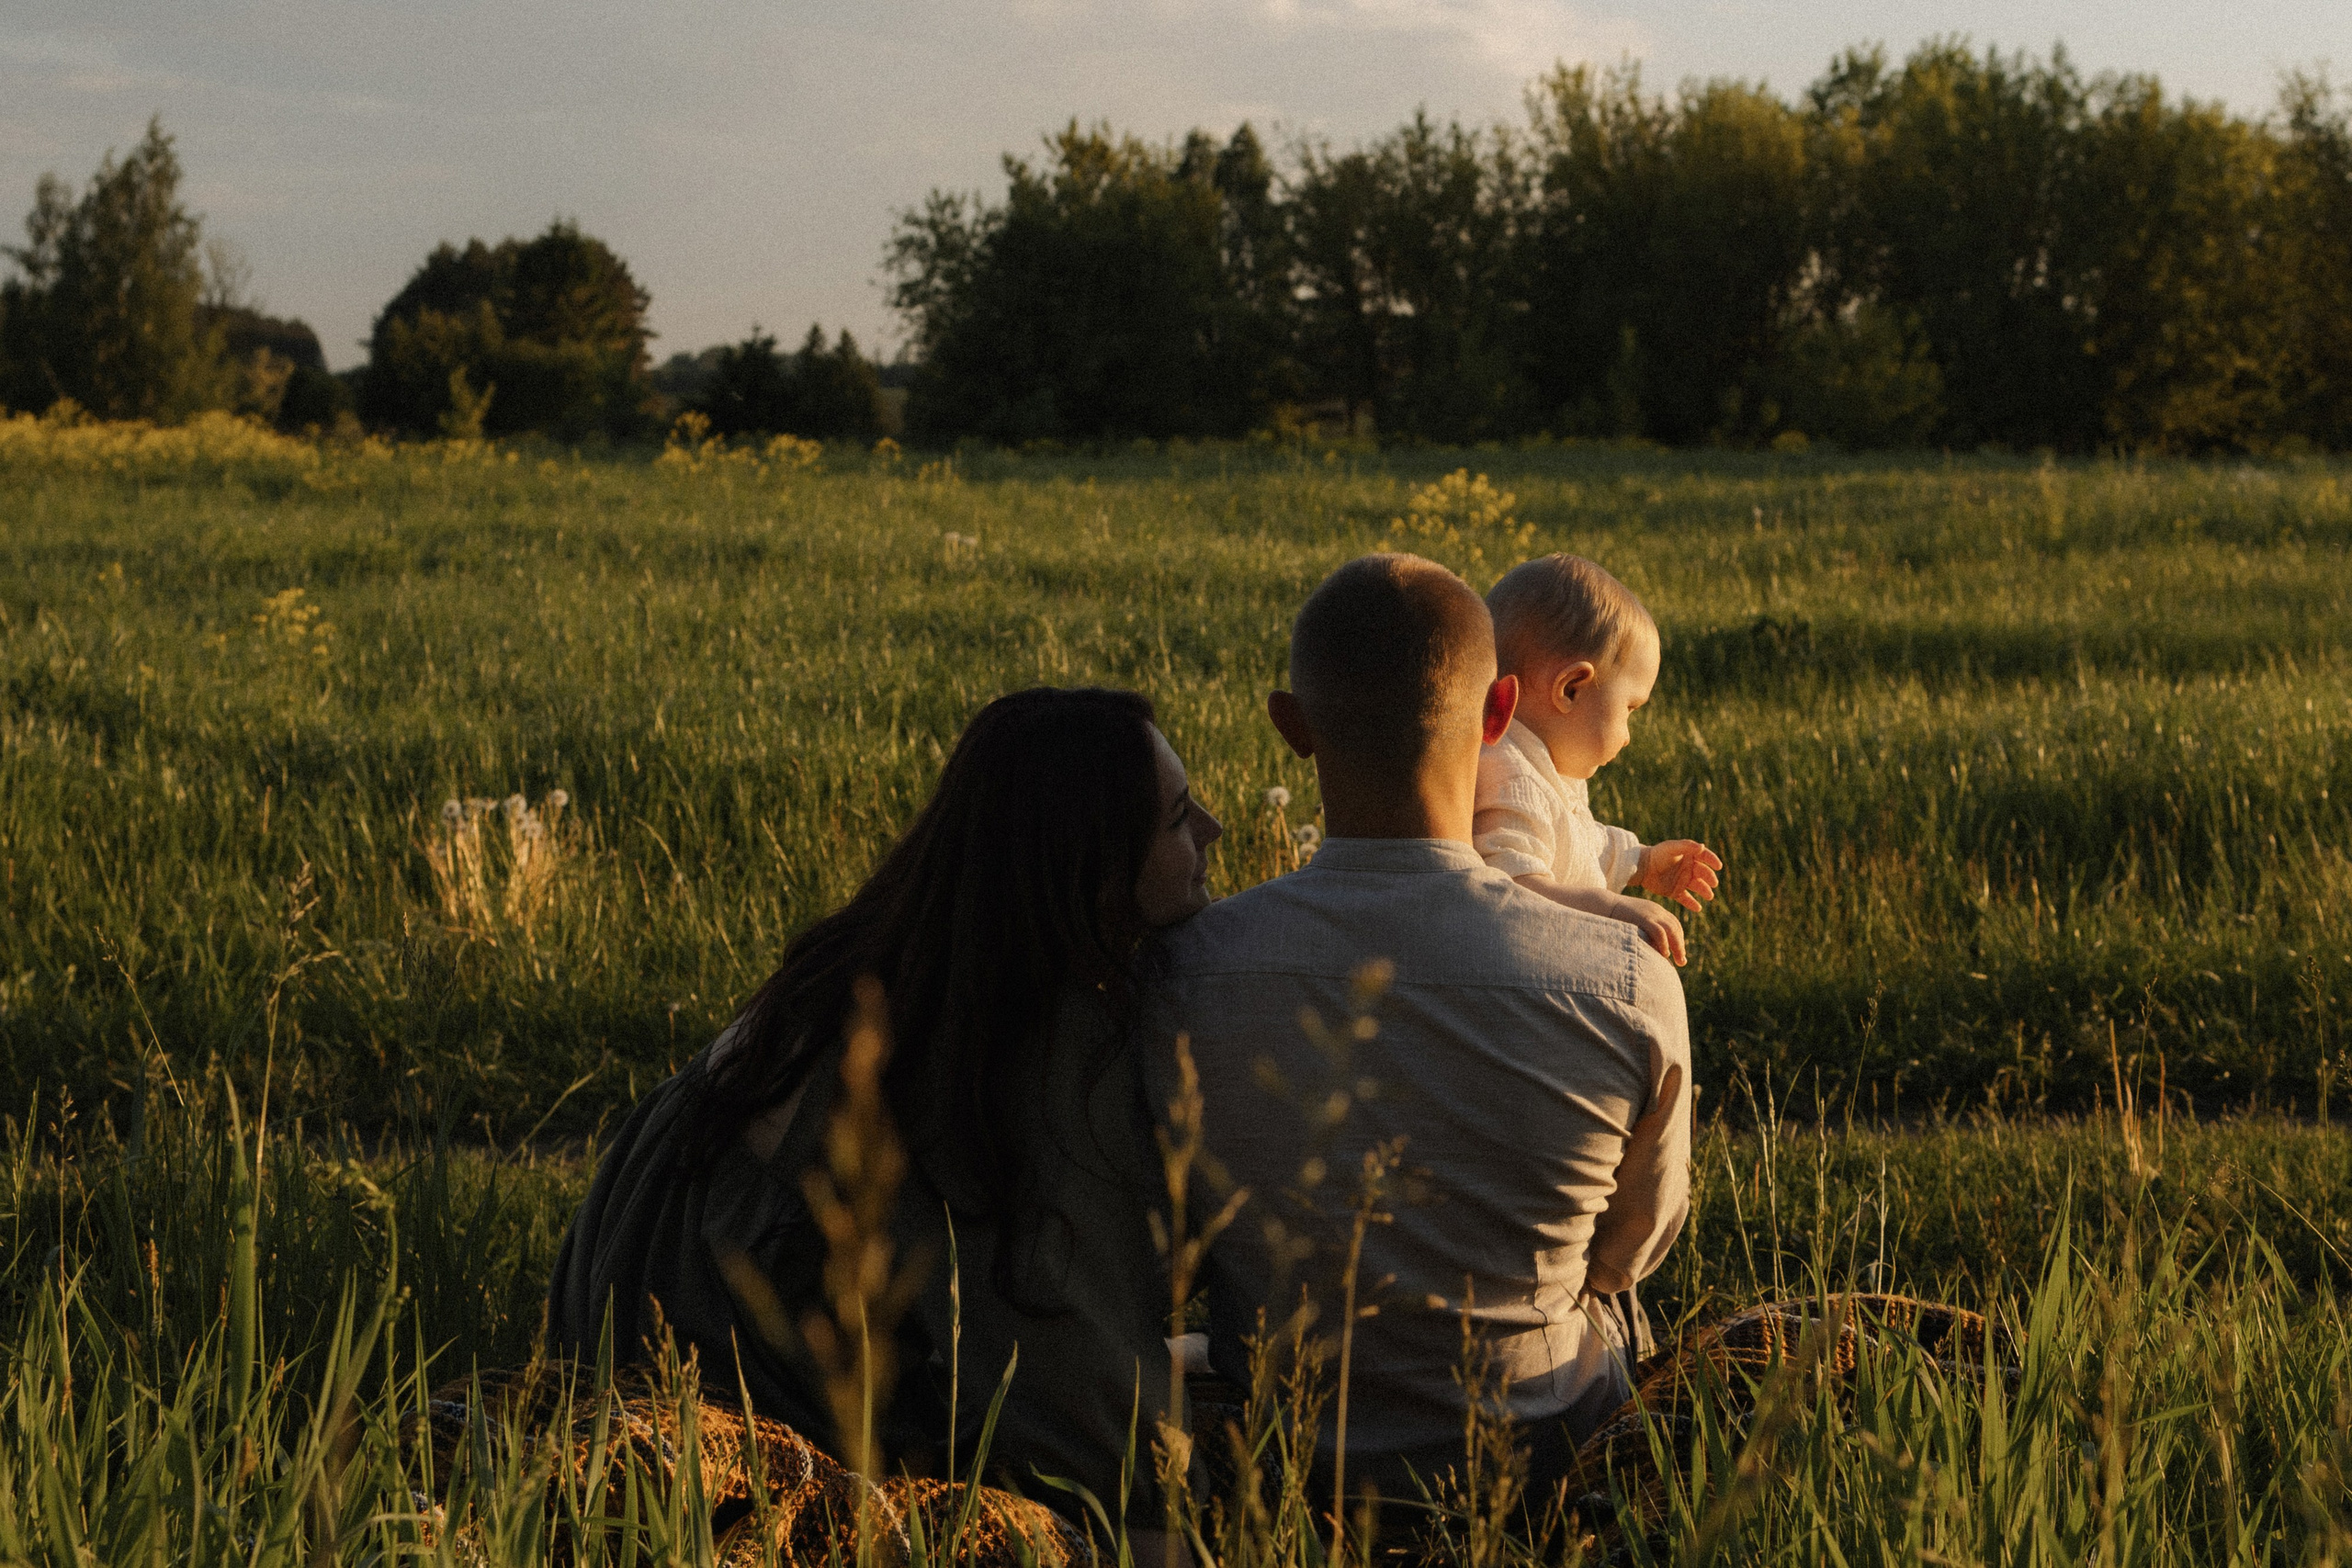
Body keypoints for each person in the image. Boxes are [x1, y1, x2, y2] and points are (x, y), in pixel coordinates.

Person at [547, 686, 1223, 1525]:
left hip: (622, 1374)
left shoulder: (869, 967)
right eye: (1178, 817)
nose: (1214, 834)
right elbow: (1079, 1392)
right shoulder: (1011, 1045)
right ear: (1092, 868)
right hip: (743, 1448)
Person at [1151, 553, 1692, 1502]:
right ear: (1498, 715)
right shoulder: (1627, 980)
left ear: (1293, 728)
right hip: (1537, 1467)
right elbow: (1627, 1254)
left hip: (1287, 1467)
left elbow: (1167, 1246)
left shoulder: (1184, 970)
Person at [1474, 553, 1723, 967]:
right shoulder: (1507, 775)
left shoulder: (1540, 769)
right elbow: (1511, 893)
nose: (1628, 737)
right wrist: (1610, 910)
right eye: (1629, 708)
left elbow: (1576, 842)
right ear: (1571, 689)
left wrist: (1641, 864)